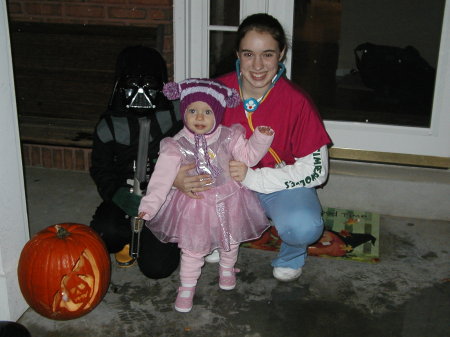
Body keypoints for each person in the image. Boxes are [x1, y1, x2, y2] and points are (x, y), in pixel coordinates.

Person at [174, 13, 332, 282]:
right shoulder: (213, 92)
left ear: (281, 54)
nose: (258, 65)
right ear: (237, 53)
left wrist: (254, 178)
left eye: (268, 54)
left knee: (304, 226)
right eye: (248, 54)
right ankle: (215, 237)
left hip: (277, 184)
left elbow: (317, 172)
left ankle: (292, 254)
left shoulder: (297, 102)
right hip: (224, 184)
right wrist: (178, 175)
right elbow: (185, 141)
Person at [138, 78, 274, 312]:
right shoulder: (176, 143)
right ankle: (187, 287)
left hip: (229, 198)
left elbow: (248, 157)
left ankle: (227, 270)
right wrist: (150, 205)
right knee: (193, 248)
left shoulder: (229, 136)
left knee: (231, 240)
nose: (199, 118)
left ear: (218, 113)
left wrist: (260, 138)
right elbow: (162, 176)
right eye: (192, 111)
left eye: (207, 112)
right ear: (184, 112)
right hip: (195, 203)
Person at [89, 46, 182, 278]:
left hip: (165, 196)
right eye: (133, 85)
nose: (141, 92)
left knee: (157, 268)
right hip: (125, 194)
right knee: (103, 235)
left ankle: (164, 238)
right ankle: (127, 239)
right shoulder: (110, 125)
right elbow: (101, 169)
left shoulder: (177, 114)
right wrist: (118, 195)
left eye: (149, 85)